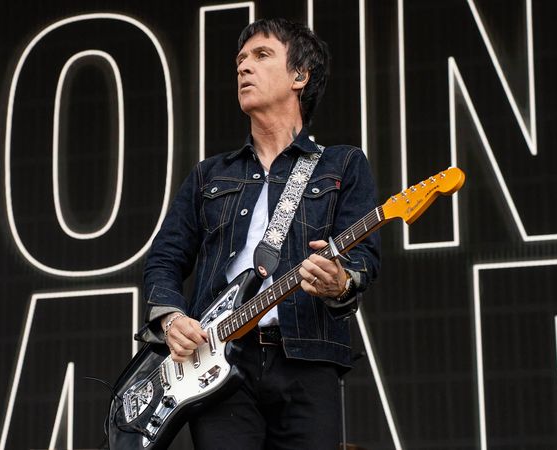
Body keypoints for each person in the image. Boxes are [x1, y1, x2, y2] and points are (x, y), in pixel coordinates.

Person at [136, 18, 380, 449]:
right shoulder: (208, 174)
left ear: (299, 76)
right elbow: (165, 258)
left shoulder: (342, 165)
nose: (243, 67)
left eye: (261, 55)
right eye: (240, 60)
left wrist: (339, 281)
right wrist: (172, 318)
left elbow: (363, 261)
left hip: (306, 358)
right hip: (218, 362)